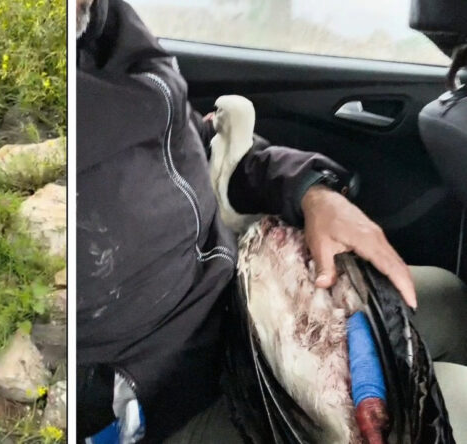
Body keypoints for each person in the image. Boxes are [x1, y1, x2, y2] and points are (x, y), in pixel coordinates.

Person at [75, 0, 467, 442]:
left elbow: (203, 143)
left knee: (450, 299)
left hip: (236, 303)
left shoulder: (106, 26)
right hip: (170, 397)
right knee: (459, 401)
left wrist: (311, 192)